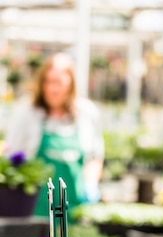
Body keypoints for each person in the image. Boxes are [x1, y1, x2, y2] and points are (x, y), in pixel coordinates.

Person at [4, 52, 104, 217]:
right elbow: (11, 157)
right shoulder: (26, 114)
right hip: (35, 212)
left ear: (71, 84)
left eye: (59, 83)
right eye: (48, 82)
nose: (53, 89)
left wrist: (90, 184)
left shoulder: (87, 113)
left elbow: (94, 156)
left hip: (75, 211)